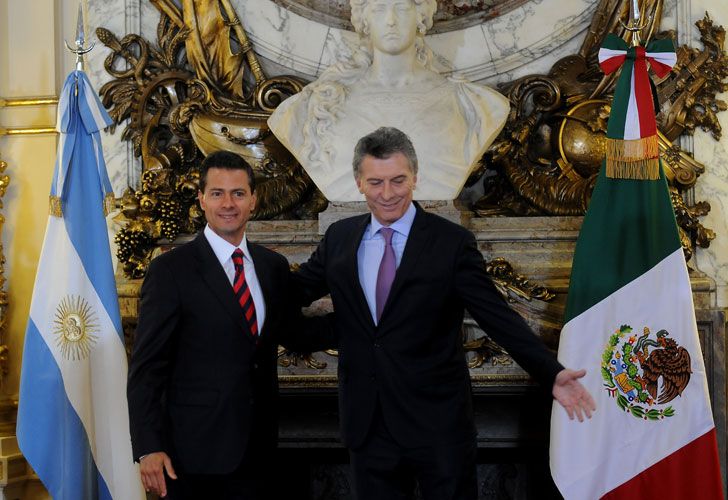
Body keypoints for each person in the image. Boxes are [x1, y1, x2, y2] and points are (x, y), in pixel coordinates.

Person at [293, 127, 595, 500]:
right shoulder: (340, 237)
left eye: (398, 180)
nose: (387, 194)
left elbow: (496, 317)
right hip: (367, 426)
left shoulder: (451, 243)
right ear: (359, 183)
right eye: (376, 182)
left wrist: (551, 372)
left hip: (438, 426)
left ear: (415, 178)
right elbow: (295, 292)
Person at [127, 151, 332, 499]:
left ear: (253, 200)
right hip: (190, 456)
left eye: (238, 193)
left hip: (259, 451)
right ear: (202, 199)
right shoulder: (171, 270)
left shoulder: (272, 267)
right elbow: (147, 368)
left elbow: (294, 334)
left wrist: (366, 316)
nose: (228, 203)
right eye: (217, 193)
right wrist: (149, 448)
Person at [268, 0, 510, 201]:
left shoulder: (473, 104)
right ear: (364, 17)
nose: (391, 20)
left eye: (402, 8)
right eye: (380, 8)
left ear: (421, 16)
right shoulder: (316, 105)